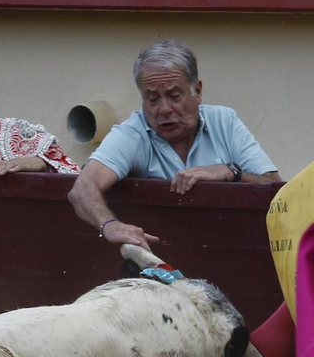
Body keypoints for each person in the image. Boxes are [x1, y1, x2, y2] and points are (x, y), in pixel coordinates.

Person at [68, 41, 280, 252]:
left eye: (174, 96)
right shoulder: (132, 133)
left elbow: (276, 189)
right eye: (152, 99)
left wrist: (232, 173)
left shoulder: (224, 122)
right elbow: (82, 189)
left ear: (197, 91)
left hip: (231, 251)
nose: (164, 109)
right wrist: (109, 225)